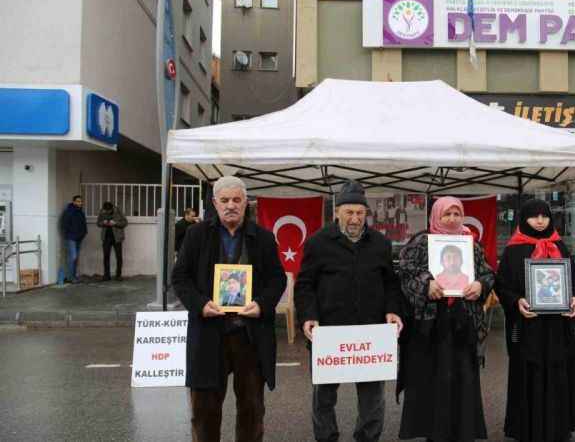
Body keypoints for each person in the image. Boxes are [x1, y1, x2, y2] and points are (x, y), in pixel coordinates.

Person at [172, 176, 287, 442]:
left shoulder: (263, 238)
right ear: (215, 203)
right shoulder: (196, 234)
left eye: (237, 200)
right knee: (204, 409)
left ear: (246, 202)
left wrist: (262, 304)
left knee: (251, 409)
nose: (231, 205)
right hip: (208, 333)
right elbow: (180, 277)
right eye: (224, 200)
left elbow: (277, 279)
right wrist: (201, 304)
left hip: (250, 335)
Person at [294, 180, 403, 442]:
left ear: (366, 213)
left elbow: (391, 283)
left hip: (371, 333)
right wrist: (308, 316)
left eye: (360, 212)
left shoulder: (380, 243)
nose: (355, 218)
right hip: (328, 333)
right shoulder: (318, 242)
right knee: (324, 396)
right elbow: (305, 285)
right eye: (349, 212)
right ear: (337, 212)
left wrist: (393, 310)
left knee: (373, 398)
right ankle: (326, 437)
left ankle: (367, 437)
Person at [396, 196, 494, 442]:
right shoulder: (422, 241)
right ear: (436, 216)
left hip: (464, 322)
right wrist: (425, 284)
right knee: (431, 379)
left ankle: (463, 432)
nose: (452, 219)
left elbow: (487, 273)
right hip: (430, 324)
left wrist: (480, 285)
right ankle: (434, 434)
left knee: (463, 378)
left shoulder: (471, 244)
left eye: (456, 214)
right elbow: (405, 271)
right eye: (446, 214)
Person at [495, 199, 575, 442]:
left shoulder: (560, 246)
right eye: (534, 216)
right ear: (523, 219)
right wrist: (517, 301)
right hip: (529, 326)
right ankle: (528, 427)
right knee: (530, 372)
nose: (540, 221)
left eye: (545, 216)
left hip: (558, 327)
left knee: (559, 371)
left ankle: (559, 426)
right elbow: (502, 285)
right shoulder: (513, 250)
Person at [97, 201, 128, 281]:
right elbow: (98, 223)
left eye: (108, 211)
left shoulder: (118, 211)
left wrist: (115, 223)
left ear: (112, 208)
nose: (106, 212)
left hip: (117, 238)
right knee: (106, 256)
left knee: (119, 257)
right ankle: (106, 275)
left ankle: (118, 275)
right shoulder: (102, 212)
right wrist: (103, 223)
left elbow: (125, 222)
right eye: (105, 211)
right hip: (106, 238)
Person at [60, 195, 87, 283]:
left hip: (79, 238)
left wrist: (84, 233)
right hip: (71, 238)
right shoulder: (69, 211)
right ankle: (70, 277)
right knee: (73, 257)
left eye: (81, 201)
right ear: (74, 202)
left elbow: (83, 224)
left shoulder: (81, 212)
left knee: (75, 258)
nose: (80, 203)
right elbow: (64, 225)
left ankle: (73, 276)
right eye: (78, 201)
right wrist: (67, 235)